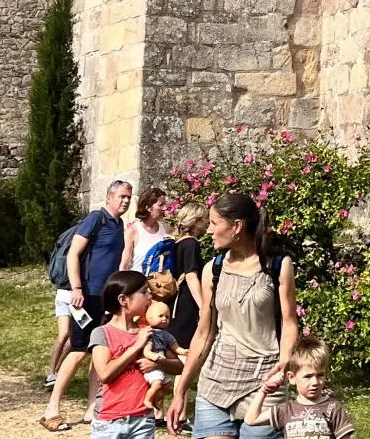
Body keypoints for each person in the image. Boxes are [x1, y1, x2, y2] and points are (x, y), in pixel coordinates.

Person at [167, 193, 300, 439]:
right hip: (216, 380)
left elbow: (290, 323)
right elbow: (204, 333)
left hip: (265, 383)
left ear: (237, 226)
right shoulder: (212, 269)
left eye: (215, 223)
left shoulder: (278, 265)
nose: (209, 230)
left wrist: (283, 368)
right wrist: (181, 390)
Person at [43, 180, 134, 432]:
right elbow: (74, 253)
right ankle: (52, 408)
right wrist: (77, 289)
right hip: (85, 297)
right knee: (79, 350)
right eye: (122, 196)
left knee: (99, 352)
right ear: (109, 197)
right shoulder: (97, 218)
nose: (126, 201)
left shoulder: (119, 225)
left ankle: (92, 409)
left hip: (105, 299)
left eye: (129, 197)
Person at [89, 269, 179, 439]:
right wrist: (137, 346)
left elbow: (180, 366)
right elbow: (104, 375)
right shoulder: (102, 333)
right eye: (144, 292)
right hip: (108, 422)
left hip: (143, 420)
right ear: (123, 300)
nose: (150, 297)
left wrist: (158, 363)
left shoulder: (151, 332)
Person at [241, 337, 353, 439]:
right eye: (308, 376)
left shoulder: (333, 408)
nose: (315, 382)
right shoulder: (286, 410)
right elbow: (251, 420)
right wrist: (263, 391)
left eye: (320, 375)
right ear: (292, 377)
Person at [166, 204, 208, 352]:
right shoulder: (191, 244)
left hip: (175, 299)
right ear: (196, 221)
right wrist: (203, 306)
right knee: (184, 347)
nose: (207, 223)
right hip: (186, 302)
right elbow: (191, 276)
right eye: (205, 219)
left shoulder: (178, 243)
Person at [141, 299, 181, 423]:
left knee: (165, 386)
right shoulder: (149, 332)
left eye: (167, 317)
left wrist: (183, 351)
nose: (164, 319)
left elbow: (175, 346)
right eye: (161, 316)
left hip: (161, 361)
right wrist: (154, 357)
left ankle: (156, 404)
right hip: (155, 359)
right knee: (157, 383)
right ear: (150, 318)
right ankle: (148, 400)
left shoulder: (165, 334)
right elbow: (146, 350)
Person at [126, 186, 173, 273]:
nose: (165, 208)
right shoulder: (133, 231)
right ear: (148, 208)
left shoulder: (163, 228)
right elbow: (124, 264)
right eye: (160, 205)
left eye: (165, 204)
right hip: (137, 282)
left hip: (158, 284)